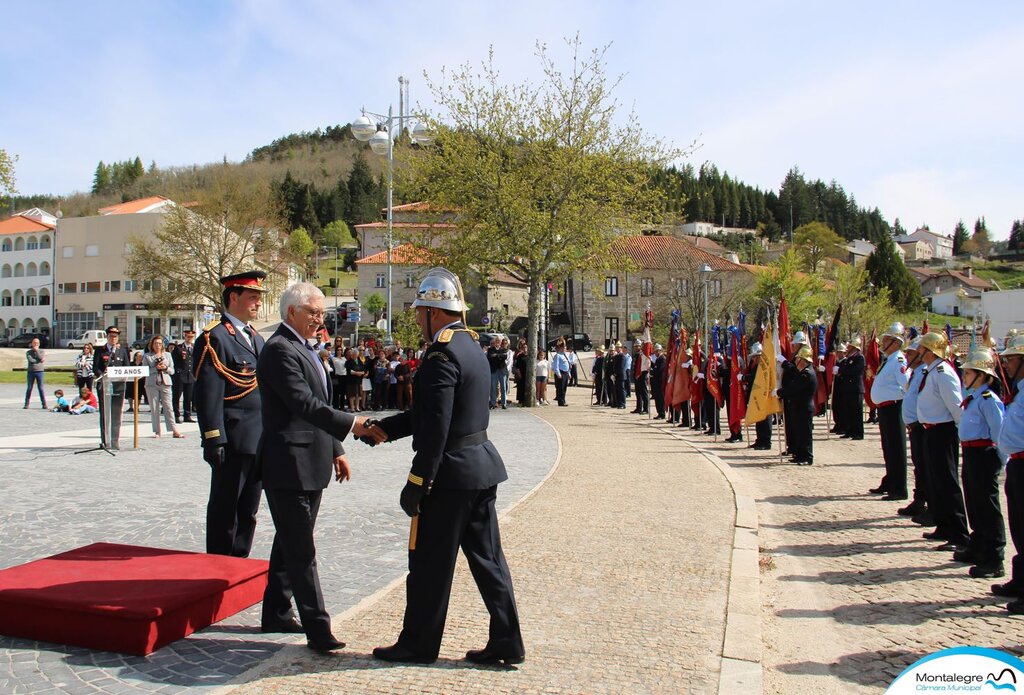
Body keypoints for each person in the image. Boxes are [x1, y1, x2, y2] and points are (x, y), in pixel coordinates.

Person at [369, 267, 524, 665]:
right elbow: (437, 414)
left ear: (432, 312)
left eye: (419, 311)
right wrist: (383, 429)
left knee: (428, 564)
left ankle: (418, 644)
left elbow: (436, 429)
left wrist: (417, 481)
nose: (418, 319)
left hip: (449, 476)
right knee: (489, 562)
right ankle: (507, 641)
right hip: (480, 469)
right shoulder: (470, 345)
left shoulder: (440, 354)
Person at [256, 281, 373, 652]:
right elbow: (303, 403)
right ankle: (318, 629)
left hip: (312, 459)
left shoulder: (305, 347)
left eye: (322, 313)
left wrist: (336, 447)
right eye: (314, 313)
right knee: (301, 547)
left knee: (290, 540)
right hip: (287, 462)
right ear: (292, 312)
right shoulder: (278, 349)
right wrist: (353, 424)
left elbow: (318, 401)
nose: (320, 320)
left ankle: (276, 611)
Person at [194, 270, 267, 558]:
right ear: (233, 297)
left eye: (259, 298)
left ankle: (239, 563)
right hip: (233, 440)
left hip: (258, 440)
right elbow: (209, 394)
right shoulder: (216, 338)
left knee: (249, 510)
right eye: (252, 297)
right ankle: (220, 564)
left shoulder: (256, 338)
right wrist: (214, 439)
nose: (258, 303)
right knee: (226, 509)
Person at [916, 331, 969, 553]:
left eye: (922, 349)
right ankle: (944, 525)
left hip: (943, 431)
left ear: (931, 351)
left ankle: (958, 532)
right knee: (936, 481)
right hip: (931, 430)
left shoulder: (943, 372)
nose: (919, 352)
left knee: (948, 482)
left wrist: (963, 432)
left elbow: (956, 406)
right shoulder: (931, 371)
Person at [956, 349, 1007, 579]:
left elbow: (999, 431)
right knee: (974, 502)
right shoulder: (975, 398)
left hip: (984, 453)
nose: (964, 377)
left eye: (968, 373)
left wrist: (999, 460)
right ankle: (977, 545)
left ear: (982, 376)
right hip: (970, 453)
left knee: (988, 505)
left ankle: (994, 556)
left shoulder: (989, 400)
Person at [996, 335, 1024, 614]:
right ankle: (1021, 579)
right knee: (1018, 525)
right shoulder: (1020, 390)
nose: (1006, 364)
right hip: (1016, 462)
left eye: (1011, 359)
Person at [870, 323, 910, 501]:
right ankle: (889, 480)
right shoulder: (889, 360)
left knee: (896, 449)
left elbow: (906, 384)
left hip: (894, 408)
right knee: (888, 448)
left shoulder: (899, 360)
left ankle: (899, 488)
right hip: (885, 408)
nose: (882, 342)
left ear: (895, 342)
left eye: (886, 339)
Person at [899, 339, 932, 522]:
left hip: (922, 425)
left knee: (925, 467)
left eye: (910, 353)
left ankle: (927, 502)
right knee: (919, 466)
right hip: (914, 426)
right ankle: (919, 499)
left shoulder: (924, 373)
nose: (907, 356)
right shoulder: (915, 373)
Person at [93, 326, 132, 450]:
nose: (113, 338)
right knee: (105, 413)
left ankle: (115, 440)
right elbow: (96, 367)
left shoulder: (123, 350)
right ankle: (105, 440)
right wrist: (102, 376)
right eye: (111, 336)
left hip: (118, 385)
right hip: (105, 385)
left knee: (116, 413)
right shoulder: (101, 350)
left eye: (115, 336)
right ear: (107, 337)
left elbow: (127, 367)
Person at [781, 345, 817, 465]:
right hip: (798, 407)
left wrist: (779, 392)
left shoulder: (807, 374)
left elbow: (793, 388)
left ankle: (807, 457)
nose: (796, 361)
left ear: (803, 360)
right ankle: (800, 455)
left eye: (797, 359)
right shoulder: (801, 373)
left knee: (805, 434)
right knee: (799, 433)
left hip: (804, 408)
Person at [144, 336, 183, 438]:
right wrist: (155, 368)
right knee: (154, 408)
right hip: (152, 384)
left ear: (163, 345)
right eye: (156, 343)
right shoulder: (148, 356)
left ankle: (174, 429)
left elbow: (172, 370)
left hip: (166, 383)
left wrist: (165, 367)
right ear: (152, 345)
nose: (158, 345)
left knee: (169, 407)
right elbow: (144, 371)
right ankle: (157, 431)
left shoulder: (168, 355)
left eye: (160, 343)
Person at [744, 342, 773, 450]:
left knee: (765, 419)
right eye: (754, 357)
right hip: (756, 395)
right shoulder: (756, 366)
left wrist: (744, 378)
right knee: (758, 419)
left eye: (756, 356)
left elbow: (755, 377)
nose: (754, 359)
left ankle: (765, 441)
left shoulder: (764, 366)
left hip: (764, 395)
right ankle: (759, 440)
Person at [839, 336, 866, 440]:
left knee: (856, 412)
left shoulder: (860, 358)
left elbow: (854, 371)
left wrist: (841, 370)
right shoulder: (849, 358)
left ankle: (858, 433)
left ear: (854, 347)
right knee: (849, 411)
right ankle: (849, 431)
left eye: (850, 346)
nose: (847, 348)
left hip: (855, 388)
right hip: (848, 388)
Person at [172, 329, 197, 424]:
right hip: (180, 376)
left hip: (190, 376)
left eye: (191, 337)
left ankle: (187, 415)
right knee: (177, 396)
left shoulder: (194, 348)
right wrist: (176, 372)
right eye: (188, 337)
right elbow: (173, 361)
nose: (189, 339)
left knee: (188, 397)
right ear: (185, 337)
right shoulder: (178, 348)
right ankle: (176, 415)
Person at [24, 337, 47, 409]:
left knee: (41, 388)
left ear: (39, 344)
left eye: (37, 343)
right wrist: (40, 360)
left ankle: (44, 404)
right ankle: (26, 404)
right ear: (32, 343)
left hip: (40, 371)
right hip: (31, 372)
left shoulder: (42, 351)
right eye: (34, 343)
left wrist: (37, 351)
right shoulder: (28, 352)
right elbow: (31, 360)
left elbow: (41, 357)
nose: (35, 344)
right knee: (29, 388)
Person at [487, 337, 509, 410]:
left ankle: (504, 403)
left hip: (502, 370)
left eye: (498, 341)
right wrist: (499, 356)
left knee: (503, 387)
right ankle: (493, 403)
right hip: (494, 370)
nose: (497, 343)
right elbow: (490, 357)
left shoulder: (503, 349)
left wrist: (496, 355)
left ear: (500, 343)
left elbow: (505, 356)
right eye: (496, 341)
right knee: (493, 387)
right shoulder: (490, 350)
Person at [551, 341, 571, 407]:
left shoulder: (565, 355)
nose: (564, 349)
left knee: (564, 388)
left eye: (565, 348)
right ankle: (561, 402)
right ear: (560, 348)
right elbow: (556, 366)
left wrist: (569, 373)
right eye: (562, 348)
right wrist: (558, 374)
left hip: (566, 373)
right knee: (560, 388)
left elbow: (568, 364)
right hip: (561, 372)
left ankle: (563, 400)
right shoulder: (558, 355)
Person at [650, 344, 666, 419]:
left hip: (660, 381)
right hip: (656, 381)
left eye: (656, 351)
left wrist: (653, 371)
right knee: (657, 398)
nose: (655, 353)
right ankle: (659, 412)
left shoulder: (662, 359)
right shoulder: (658, 359)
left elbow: (660, 370)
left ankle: (662, 413)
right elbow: (656, 367)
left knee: (660, 398)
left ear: (659, 351)